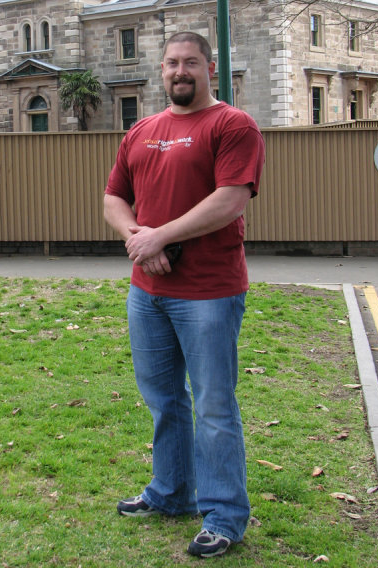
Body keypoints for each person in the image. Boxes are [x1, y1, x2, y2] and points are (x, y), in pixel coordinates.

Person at [104, 31, 265, 559]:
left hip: (208, 293)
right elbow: (114, 198)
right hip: (147, 291)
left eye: (190, 62)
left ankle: (224, 517)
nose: (180, 71)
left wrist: (161, 235)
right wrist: (138, 240)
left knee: (214, 405)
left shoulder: (232, 125)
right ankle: (171, 493)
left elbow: (231, 199)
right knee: (163, 400)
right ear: (162, 68)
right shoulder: (142, 130)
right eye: (172, 62)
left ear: (209, 69)